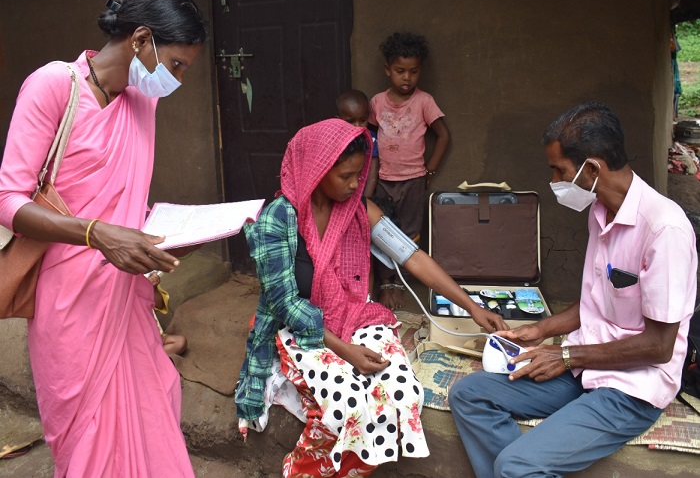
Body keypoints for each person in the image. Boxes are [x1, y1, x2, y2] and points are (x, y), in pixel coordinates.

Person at [0, 0, 207, 477]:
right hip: (68, 301)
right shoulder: (55, 85)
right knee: (88, 436)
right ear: (140, 40)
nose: (177, 80)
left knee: (152, 411)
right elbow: (9, 201)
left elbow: (124, 197)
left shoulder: (142, 103)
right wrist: (97, 234)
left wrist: (154, 237)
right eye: (175, 65)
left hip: (125, 295)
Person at [235, 118, 506, 477]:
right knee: (350, 405)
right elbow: (286, 303)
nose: (354, 184)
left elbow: (413, 257)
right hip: (301, 327)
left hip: (355, 315)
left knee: (402, 392)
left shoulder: (359, 211)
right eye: (345, 176)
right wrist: (347, 353)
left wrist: (471, 306)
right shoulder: (278, 220)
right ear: (316, 169)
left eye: (358, 174)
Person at [448, 102, 698, 478]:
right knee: (470, 395)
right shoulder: (601, 213)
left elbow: (660, 347)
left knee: (515, 465)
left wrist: (565, 356)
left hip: (631, 388)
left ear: (592, 168)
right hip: (583, 369)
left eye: (560, 171)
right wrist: (540, 331)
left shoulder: (665, 230)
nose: (554, 181)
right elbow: (596, 303)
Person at [368, 32, 451, 310]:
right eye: (400, 71)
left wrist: (429, 170)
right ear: (387, 70)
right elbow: (369, 138)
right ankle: (386, 282)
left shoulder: (424, 101)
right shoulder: (378, 103)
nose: (407, 78)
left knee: (409, 233)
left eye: (413, 72)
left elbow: (443, 136)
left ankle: (400, 282)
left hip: (413, 180)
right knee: (382, 231)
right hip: (382, 181)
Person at [336, 89, 378, 198]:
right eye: (351, 121)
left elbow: (373, 172)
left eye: (363, 120)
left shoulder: (371, 139)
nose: (358, 126)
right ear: (338, 120)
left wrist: (366, 200)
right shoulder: (335, 140)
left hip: (362, 194)